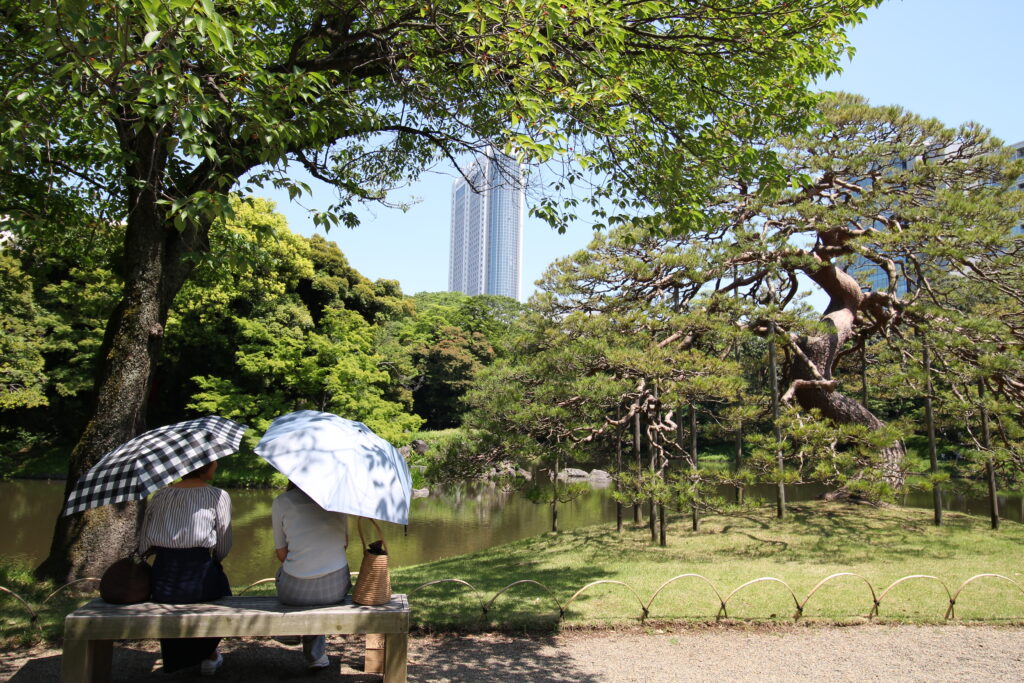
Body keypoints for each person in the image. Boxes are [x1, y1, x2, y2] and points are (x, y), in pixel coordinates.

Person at [139, 460, 232, 676]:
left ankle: (195, 656)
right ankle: (208, 654)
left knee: (173, 600)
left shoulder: (160, 495)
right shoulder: (217, 496)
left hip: (164, 575)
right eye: (214, 461)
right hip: (200, 574)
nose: (217, 464)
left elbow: (144, 542)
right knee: (222, 592)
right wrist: (216, 560)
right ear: (205, 466)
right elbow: (224, 543)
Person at [271, 481, 350, 670]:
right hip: (336, 588)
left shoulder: (282, 502)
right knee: (320, 580)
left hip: (294, 592)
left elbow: (282, 554)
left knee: (285, 575)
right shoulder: (339, 501)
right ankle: (315, 654)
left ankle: (294, 633)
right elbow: (344, 544)